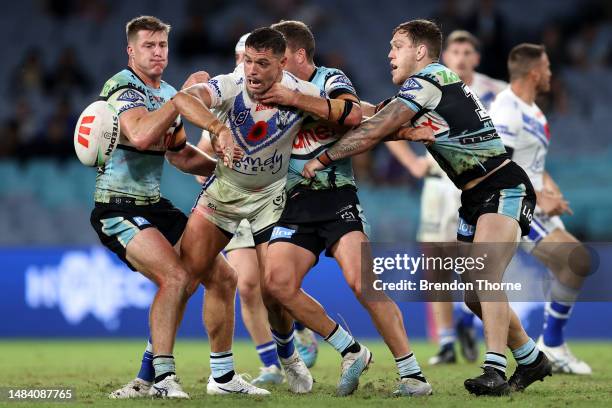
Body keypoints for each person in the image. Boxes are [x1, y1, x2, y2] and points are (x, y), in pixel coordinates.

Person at [302, 19, 552, 396]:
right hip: (474, 196)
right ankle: (531, 358)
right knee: (472, 296)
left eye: (397, 45)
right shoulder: (425, 88)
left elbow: (376, 128)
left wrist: (323, 159)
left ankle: (495, 370)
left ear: (420, 51)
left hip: (503, 185)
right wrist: (324, 108)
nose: (389, 54)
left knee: (484, 274)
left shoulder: (429, 78)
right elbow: (372, 115)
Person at [258, 20, 433, 397]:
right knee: (275, 285)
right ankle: (350, 350)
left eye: (280, 57)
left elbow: (353, 115)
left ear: (300, 56)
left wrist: (296, 100)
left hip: (337, 197)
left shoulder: (330, 78)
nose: (274, 66)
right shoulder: (270, 91)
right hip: (294, 203)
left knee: (363, 282)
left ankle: (412, 374)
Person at [91, 16, 236, 399]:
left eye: (162, 46)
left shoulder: (169, 91)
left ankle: (222, 377)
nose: (157, 53)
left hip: (154, 205)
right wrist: (178, 102)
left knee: (222, 277)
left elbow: (180, 156)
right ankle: (162, 378)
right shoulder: (123, 87)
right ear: (131, 50)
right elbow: (139, 135)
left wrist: (230, 168)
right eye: (148, 46)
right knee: (174, 277)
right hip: (116, 206)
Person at [177, 27, 325, 394]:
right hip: (227, 194)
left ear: (280, 62)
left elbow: (344, 115)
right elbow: (188, 108)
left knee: (273, 289)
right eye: (246, 60)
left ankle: (288, 356)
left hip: (270, 198)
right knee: (216, 281)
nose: (251, 69)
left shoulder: (299, 92)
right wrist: (216, 134)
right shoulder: (227, 86)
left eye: (260, 62)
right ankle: (249, 367)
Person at [490, 43, 591, 375]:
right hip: (516, 202)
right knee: (575, 259)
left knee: (574, 262)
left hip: (533, 200)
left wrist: (549, 183)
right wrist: (538, 194)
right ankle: (548, 345)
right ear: (534, 72)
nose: (550, 74)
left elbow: (531, 161)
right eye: (547, 68)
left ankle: (549, 344)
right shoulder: (506, 108)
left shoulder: (533, 112)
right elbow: (498, 164)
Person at [420, 29, 507, 366]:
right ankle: (445, 342)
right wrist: (412, 163)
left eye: (467, 52)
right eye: (455, 51)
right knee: (436, 264)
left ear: (477, 57)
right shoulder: (431, 86)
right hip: (438, 185)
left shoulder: (497, 92)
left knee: (478, 263)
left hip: (479, 183)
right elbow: (394, 121)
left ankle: (470, 323)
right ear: (447, 57)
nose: (461, 57)